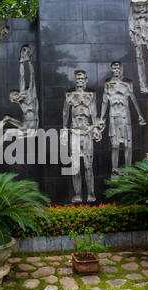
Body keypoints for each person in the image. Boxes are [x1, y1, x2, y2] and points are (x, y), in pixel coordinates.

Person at [63, 70, 103, 203]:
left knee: (88, 166)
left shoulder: (90, 94)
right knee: (75, 167)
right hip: (74, 131)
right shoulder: (70, 94)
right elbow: (65, 113)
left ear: (86, 79)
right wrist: (64, 129)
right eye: (77, 78)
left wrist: (97, 129)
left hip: (87, 131)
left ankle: (91, 192)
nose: (79, 80)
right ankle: (78, 193)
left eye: (81, 78)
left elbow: (94, 112)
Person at [100, 61, 147, 173]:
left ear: (121, 69)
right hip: (113, 116)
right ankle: (114, 168)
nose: (116, 70)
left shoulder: (127, 82)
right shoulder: (108, 83)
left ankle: (128, 169)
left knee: (128, 144)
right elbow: (104, 101)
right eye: (114, 68)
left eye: (118, 68)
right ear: (112, 69)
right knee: (115, 145)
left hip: (125, 116)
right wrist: (101, 117)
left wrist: (140, 114)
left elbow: (133, 99)